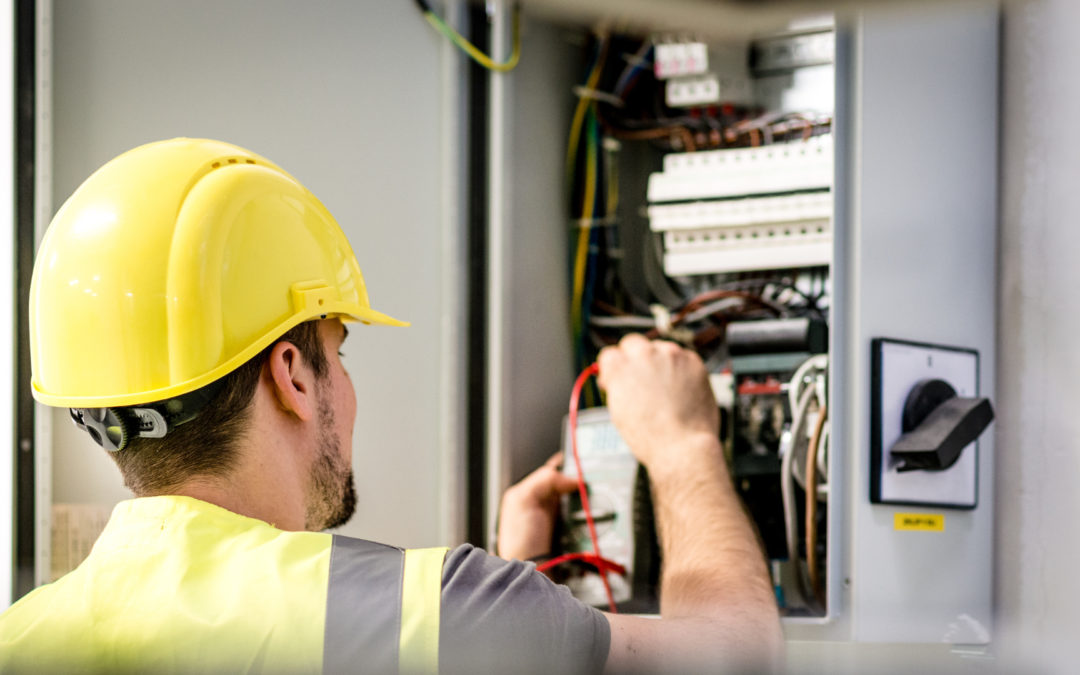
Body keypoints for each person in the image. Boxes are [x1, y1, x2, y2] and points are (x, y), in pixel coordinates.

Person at [0, 139, 782, 674]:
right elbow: (739, 657)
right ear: (292, 376)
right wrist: (681, 444)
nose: (344, 382)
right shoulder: (441, 611)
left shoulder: (23, 638)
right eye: (338, 352)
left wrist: (523, 584)